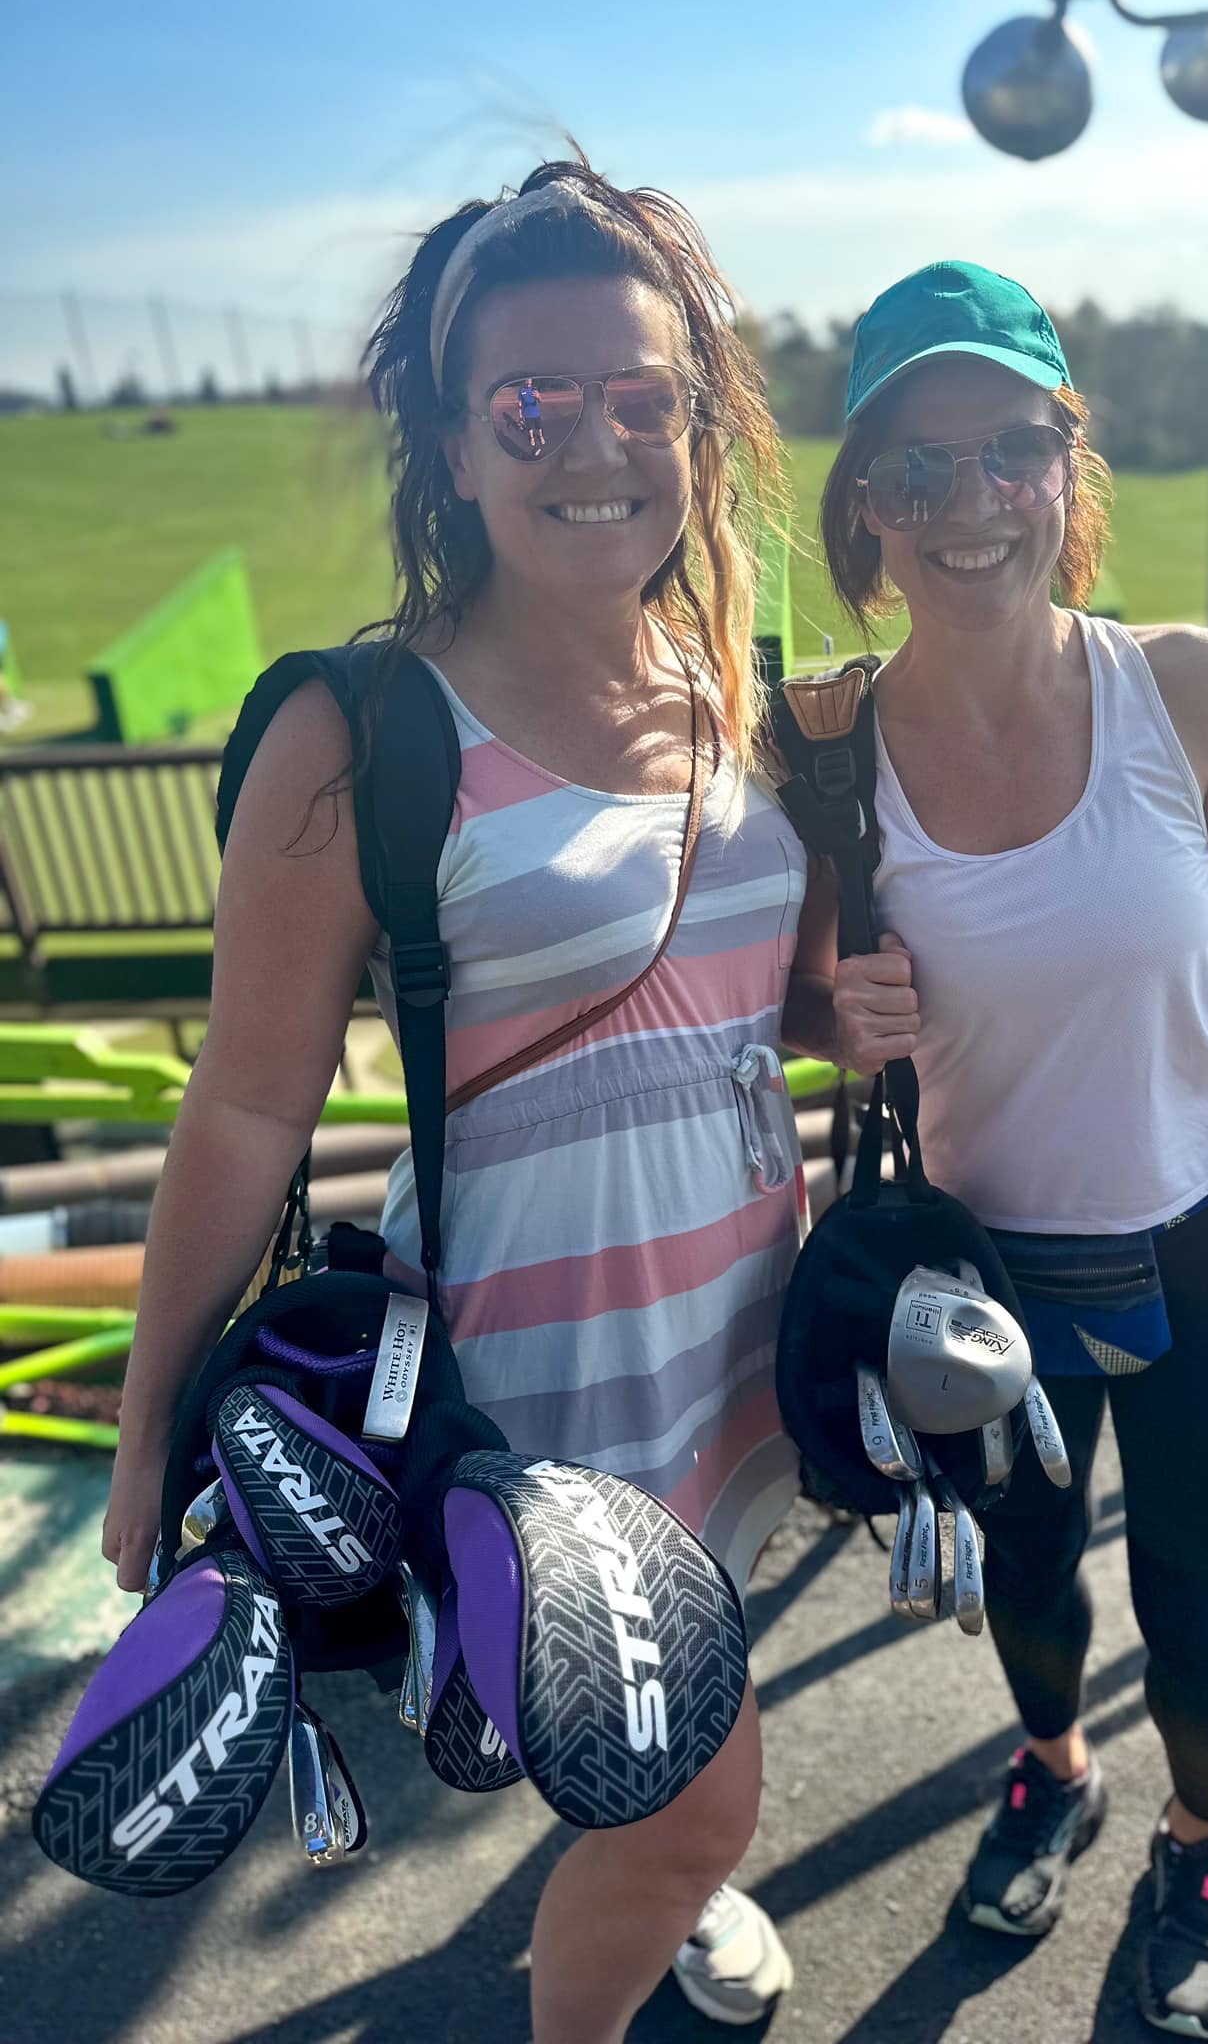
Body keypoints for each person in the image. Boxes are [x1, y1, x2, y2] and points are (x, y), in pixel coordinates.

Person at [100, 158, 827, 2042]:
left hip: (735, 1331)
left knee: (667, 1708)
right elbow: (246, 1110)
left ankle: (652, 1866)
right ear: (451, 433)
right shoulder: (362, 732)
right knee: (699, 1797)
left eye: (640, 396)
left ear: (698, 417)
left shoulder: (727, 680)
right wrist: (150, 1425)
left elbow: (733, 996)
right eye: (531, 401)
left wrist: (853, 1000)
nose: (594, 441)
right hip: (545, 1385)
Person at [798, 261, 1208, 2038]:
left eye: (1008, 452)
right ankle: (1053, 1769)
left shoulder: (1192, 690)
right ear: (866, 516)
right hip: (987, 1275)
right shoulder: (823, 739)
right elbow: (807, 1005)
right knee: (1031, 1590)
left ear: (1070, 463)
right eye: (917, 471)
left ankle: (1198, 1842)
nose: (969, 506)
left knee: (1207, 1629)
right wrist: (838, 1014)